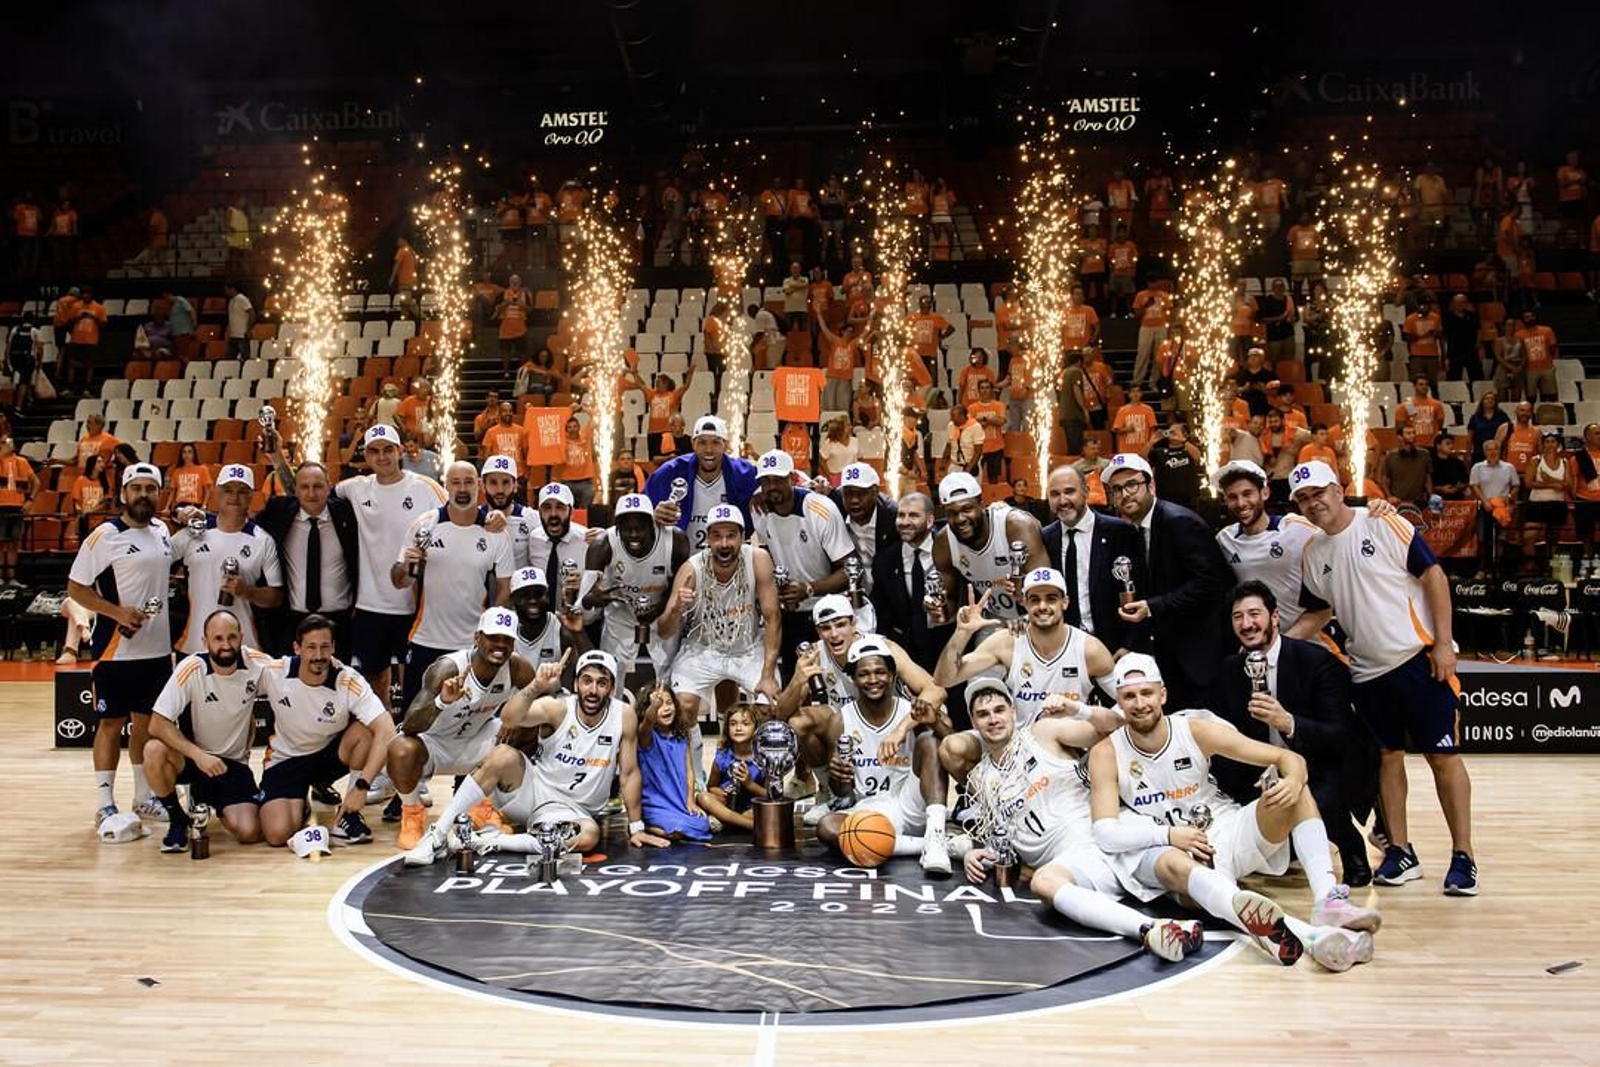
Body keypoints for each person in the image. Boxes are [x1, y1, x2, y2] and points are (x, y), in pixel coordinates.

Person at [1088, 654, 1380, 972]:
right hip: (1177, 850)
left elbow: (1288, 759)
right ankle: (1311, 936)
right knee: (1187, 880)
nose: (1139, 703)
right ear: (1118, 699)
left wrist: (1294, 779)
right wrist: (1170, 836)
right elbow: (1104, 833)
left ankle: (1328, 902)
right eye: (1129, 696)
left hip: (1224, 829)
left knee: (1295, 790)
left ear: (1163, 695)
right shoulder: (1106, 752)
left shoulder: (1195, 730)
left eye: (1147, 693)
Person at [1288, 460, 1478, 895]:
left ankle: (1464, 856)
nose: (1313, 502)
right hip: (1367, 672)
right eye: (1303, 498)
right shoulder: (1313, 553)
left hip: (1419, 659)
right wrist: (1276, 645)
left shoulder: (1382, 524)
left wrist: (1444, 644)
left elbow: (1433, 575)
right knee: (1388, 760)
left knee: (1442, 758)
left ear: (1338, 490)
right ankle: (1401, 850)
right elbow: (1319, 610)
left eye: (1319, 492)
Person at [960, 678, 1207, 963]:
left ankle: (1251, 922)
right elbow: (1004, 838)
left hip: (1109, 832)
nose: (993, 719)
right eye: (983, 714)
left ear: (1013, 711)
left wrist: (1076, 708)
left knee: (1192, 896)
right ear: (973, 722)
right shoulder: (980, 778)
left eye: (999, 710)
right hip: (1074, 861)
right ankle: (1152, 929)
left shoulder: (1043, 732)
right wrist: (974, 851)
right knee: (1045, 883)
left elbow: (1112, 728)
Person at [404, 650, 668, 864]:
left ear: (611, 688)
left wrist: (636, 828)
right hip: (533, 792)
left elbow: (630, 773)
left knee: (588, 837)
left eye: (602, 683)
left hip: (576, 811)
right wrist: (535, 686)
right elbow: (509, 718)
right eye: (587, 681)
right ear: (575, 683)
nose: (593, 690)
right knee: (502, 755)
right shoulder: (558, 708)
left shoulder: (623, 715)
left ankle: (482, 841)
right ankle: (437, 835)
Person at [1217, 582, 1379, 887]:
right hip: (1260, 770)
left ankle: (1350, 846)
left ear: (1275, 616)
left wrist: (1289, 722)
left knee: (1321, 797)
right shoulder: (1229, 670)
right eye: (1238, 617)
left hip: (1320, 764)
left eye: (1254, 614)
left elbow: (1341, 735)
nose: (1247, 624)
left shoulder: (1318, 663)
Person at [67, 462, 176, 831]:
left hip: (158, 651)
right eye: (137, 488)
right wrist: (116, 613)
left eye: (151, 488)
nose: (144, 495)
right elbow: (76, 589)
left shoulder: (162, 530)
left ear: (159, 493)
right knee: (111, 723)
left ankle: (143, 797)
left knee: (146, 726)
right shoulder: (104, 536)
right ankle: (104, 803)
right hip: (116, 650)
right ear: (124, 493)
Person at [788, 636, 954, 874]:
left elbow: (950, 742)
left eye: (880, 672)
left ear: (892, 674)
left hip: (910, 802)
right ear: (853, 679)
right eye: (864, 674)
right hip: (868, 808)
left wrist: (935, 721)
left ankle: (936, 834)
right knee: (826, 828)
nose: (873, 680)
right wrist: (838, 775)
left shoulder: (910, 711)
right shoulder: (841, 720)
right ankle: (931, 846)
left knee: (929, 740)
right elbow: (843, 792)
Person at [933, 568, 1119, 781]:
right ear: (1024, 602)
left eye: (1051, 598)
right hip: (1016, 743)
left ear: (1065, 602)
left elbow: (1126, 702)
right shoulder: (1007, 642)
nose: (1042, 606)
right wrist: (962, 633)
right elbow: (944, 679)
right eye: (1035, 599)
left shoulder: (1089, 649)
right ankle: (991, 803)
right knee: (952, 748)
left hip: (1068, 745)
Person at [384, 607, 537, 847]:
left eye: (506, 639)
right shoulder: (448, 668)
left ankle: (485, 805)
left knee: (529, 726)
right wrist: (442, 701)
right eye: (493, 638)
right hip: (435, 745)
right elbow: (410, 726)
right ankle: (412, 813)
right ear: (477, 638)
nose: (500, 645)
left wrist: (516, 721)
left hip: (478, 741)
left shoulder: (518, 669)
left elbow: (542, 707)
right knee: (400, 748)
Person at [1102, 453, 1233, 706]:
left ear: (1151, 485)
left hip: (1198, 654)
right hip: (1167, 655)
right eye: (1117, 489)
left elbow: (1209, 584)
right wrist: (1132, 643)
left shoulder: (1179, 521)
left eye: (1132, 485)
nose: (1125, 494)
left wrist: (1153, 607)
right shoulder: (1135, 530)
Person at [257, 614, 396, 847]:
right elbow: (239, 669)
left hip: (328, 757)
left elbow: (387, 730)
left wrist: (362, 786)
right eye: (311, 647)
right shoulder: (274, 672)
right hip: (286, 759)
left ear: (333, 647)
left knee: (367, 732)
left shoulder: (347, 680)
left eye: (324, 647)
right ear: (297, 648)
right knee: (277, 834)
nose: (319, 655)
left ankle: (349, 812)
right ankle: (299, 802)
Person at [144, 610, 276, 852]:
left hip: (231, 765)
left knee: (249, 832)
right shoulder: (191, 667)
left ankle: (209, 799)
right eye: (218, 638)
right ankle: (178, 819)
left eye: (232, 637)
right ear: (205, 642)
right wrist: (199, 755)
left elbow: (293, 674)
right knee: (153, 750)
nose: (226, 645)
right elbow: (157, 723)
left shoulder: (258, 664)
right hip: (194, 759)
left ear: (241, 637)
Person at [333, 424, 446, 696]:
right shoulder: (354, 489)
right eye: (374, 451)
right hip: (369, 605)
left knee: (414, 682)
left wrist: (490, 518)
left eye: (388, 450)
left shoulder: (426, 487)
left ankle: (408, 734)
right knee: (373, 682)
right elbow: (311, 495)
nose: (382, 457)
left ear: (399, 451)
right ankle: (383, 736)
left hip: (415, 605)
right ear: (366, 455)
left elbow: (460, 513)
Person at [392, 461, 514, 709]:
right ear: (445, 485)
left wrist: (486, 634)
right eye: (455, 482)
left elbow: (505, 590)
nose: (462, 489)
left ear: (478, 486)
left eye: (468, 482)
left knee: (464, 719)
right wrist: (406, 567)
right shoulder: (426, 525)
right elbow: (398, 581)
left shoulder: (495, 531)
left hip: (471, 646)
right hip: (425, 639)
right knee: (414, 718)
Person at [658, 503, 782, 721]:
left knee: (769, 706)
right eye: (717, 536)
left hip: (748, 649)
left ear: (743, 536)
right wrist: (677, 608)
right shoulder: (691, 568)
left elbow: (773, 619)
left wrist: (768, 675)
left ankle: (740, 753)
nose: (724, 544)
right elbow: (664, 631)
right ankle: (689, 756)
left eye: (731, 535)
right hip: (702, 650)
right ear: (707, 539)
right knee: (681, 708)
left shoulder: (758, 559)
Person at [751, 448, 857, 679]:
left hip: (827, 609)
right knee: (796, 681)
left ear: (792, 478)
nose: (772, 487)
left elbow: (850, 571)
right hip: (789, 612)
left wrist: (809, 588)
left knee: (835, 681)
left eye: (778, 480)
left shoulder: (820, 509)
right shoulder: (757, 508)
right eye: (765, 481)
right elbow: (768, 552)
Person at [171, 465, 284, 654]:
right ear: (216, 492)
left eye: (242, 491)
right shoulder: (193, 533)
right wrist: (177, 514)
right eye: (228, 490)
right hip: (194, 645)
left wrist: (246, 591)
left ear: (251, 496)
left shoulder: (263, 541)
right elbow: (158, 560)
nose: (234, 496)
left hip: (245, 647)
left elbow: (276, 597)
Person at [580, 492, 690, 687]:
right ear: (617, 527)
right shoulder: (602, 544)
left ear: (652, 524)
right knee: (611, 678)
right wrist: (592, 600)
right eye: (627, 528)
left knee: (667, 679)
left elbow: (681, 587)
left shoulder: (676, 541)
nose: (633, 534)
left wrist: (659, 610)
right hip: (621, 617)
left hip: (663, 614)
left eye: (640, 527)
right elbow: (584, 606)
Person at [253, 460, 359, 660]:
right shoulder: (278, 511)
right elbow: (241, 524)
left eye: (318, 486)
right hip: (291, 621)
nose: (311, 494)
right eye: (305, 487)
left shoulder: (346, 512)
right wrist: (204, 519)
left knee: (336, 686)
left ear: (329, 487)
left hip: (339, 622)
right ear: (295, 490)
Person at [1040, 464, 1144, 652]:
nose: (1063, 500)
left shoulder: (1120, 532)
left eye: (1069, 492)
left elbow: (1143, 590)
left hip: (1115, 648)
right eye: (1055, 494)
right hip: (1063, 649)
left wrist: (1130, 645)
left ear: (1086, 492)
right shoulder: (1045, 538)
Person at [928, 471, 1048, 629]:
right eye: (952, 513)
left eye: (967, 509)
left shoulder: (1015, 525)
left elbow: (1047, 588)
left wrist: (1027, 615)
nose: (960, 519)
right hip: (993, 618)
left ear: (982, 504)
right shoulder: (944, 543)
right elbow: (948, 608)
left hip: (1036, 616)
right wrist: (937, 608)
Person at [1214, 461, 1319, 633]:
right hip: (1256, 642)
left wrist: (1373, 511)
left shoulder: (1296, 528)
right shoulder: (1224, 539)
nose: (1241, 503)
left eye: (1247, 494)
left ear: (1265, 493)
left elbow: (1336, 532)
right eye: (1233, 497)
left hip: (1306, 640)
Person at [645, 415, 759, 553]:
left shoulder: (744, 474)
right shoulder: (670, 472)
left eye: (716, 443)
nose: (709, 449)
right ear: (693, 444)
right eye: (702, 442)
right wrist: (653, 515)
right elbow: (641, 510)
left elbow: (775, 486)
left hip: (727, 562)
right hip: (680, 561)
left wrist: (761, 494)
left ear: (726, 445)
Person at [869, 491, 954, 670]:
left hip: (949, 643)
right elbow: (882, 610)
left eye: (913, 515)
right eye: (901, 515)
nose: (905, 522)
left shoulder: (951, 548)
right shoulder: (884, 561)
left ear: (930, 521)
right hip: (907, 651)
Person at [635, 685, 711, 842]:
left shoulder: (681, 735)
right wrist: (653, 708)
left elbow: (689, 771)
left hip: (679, 801)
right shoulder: (646, 736)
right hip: (656, 803)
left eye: (669, 702)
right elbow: (648, 722)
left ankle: (672, 821)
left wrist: (690, 801)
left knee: (702, 825)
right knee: (677, 831)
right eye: (658, 704)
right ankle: (648, 827)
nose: (665, 708)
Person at [696, 703, 765, 831]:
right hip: (727, 805)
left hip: (751, 807)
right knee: (703, 797)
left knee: (767, 809)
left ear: (756, 728)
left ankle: (728, 821)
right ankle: (747, 825)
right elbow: (711, 787)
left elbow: (771, 794)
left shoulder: (763, 758)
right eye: (733, 724)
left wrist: (750, 785)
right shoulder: (722, 757)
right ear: (727, 728)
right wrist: (720, 793)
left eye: (745, 724)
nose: (738, 728)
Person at [1522, 432, 1571, 575]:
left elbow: (1568, 484)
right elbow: (1528, 482)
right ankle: (1529, 567)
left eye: (1553, 441)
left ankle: (1550, 568)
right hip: (1537, 503)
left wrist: (1548, 479)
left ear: (1558, 444)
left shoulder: (1565, 462)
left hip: (1557, 504)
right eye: (1547, 441)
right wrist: (1555, 484)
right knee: (1529, 536)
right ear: (1543, 444)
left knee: (1553, 538)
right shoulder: (1536, 460)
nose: (1550, 444)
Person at [1469, 440, 1519, 579]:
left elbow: (1515, 486)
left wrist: (1509, 498)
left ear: (1500, 451)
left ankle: (1498, 570)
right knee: (1482, 538)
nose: (1493, 452)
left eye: (1495, 449)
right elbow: (1474, 485)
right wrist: (1484, 501)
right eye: (1489, 450)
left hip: (1502, 507)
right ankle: (1482, 569)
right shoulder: (1477, 467)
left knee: (1500, 539)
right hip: (1484, 507)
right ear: (1485, 452)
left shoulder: (1509, 467)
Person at [0, 436, 38, 585]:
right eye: (2, 442)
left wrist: (31, 500)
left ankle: (11, 577)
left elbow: (36, 482)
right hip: (0, 507)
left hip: (16, 507)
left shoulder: (21, 462)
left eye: (6, 442)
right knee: (0, 542)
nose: (4, 445)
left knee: (14, 543)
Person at [1147, 423, 1203, 510]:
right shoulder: (1160, 452)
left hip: (1188, 500)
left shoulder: (1188, 450)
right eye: (1170, 430)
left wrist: (1183, 440)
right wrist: (1151, 442)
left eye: (1176, 430)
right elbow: (1141, 459)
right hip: (1166, 500)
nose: (1172, 432)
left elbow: (1197, 456)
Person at [1509, 310, 1559, 403]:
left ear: (1535, 317)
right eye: (1526, 317)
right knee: (1531, 396)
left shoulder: (1546, 330)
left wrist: (1552, 361)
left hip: (1547, 367)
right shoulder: (1519, 334)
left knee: (1552, 395)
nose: (1529, 318)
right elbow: (1517, 353)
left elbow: (1553, 347)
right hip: (1529, 369)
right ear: (1523, 320)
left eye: (1531, 316)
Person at [1379, 423, 1433, 508]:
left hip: (1419, 502)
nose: (1412, 436)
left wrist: (1431, 496)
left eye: (1413, 433)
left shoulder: (1424, 455)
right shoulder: (1390, 456)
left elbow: (1428, 478)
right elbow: (1384, 480)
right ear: (1399, 437)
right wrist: (1389, 496)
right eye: (1408, 433)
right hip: (1398, 502)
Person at [494, 275, 533, 375]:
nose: (515, 283)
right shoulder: (502, 293)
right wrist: (507, 303)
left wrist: (521, 305)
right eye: (513, 281)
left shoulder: (525, 293)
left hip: (520, 328)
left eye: (517, 281)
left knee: (522, 352)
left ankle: (522, 373)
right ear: (509, 282)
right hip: (505, 328)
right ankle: (506, 372)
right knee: (506, 352)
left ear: (520, 282)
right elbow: (497, 309)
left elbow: (530, 310)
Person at [1395, 377, 1447, 448]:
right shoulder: (1405, 406)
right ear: (1414, 386)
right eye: (1421, 384)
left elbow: (1439, 424)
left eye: (1426, 384)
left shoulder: (1437, 405)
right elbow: (1400, 429)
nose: (1424, 387)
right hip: (1413, 446)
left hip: (1432, 445)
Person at [1465, 389, 1510, 465]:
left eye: (1492, 399)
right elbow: (1469, 438)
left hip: (1498, 453)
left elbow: (1508, 435)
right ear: (1482, 401)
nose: (1490, 400)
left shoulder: (1502, 416)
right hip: (1479, 453)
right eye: (1487, 398)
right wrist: (1468, 454)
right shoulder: (1475, 418)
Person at [1431, 438, 1470, 502]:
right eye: (1448, 444)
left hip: (1457, 499)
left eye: (1452, 444)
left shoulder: (1457, 462)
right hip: (1437, 500)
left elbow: (1466, 480)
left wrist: (1458, 487)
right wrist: (1441, 489)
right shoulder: (1431, 462)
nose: (1451, 446)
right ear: (1438, 446)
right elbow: (1426, 483)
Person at [223, 282, 253, 363]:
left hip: (242, 334)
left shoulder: (242, 299)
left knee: (245, 358)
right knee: (229, 359)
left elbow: (251, 313)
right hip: (233, 335)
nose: (226, 292)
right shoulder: (231, 301)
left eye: (227, 290)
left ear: (232, 289)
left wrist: (248, 329)